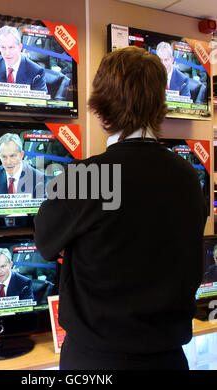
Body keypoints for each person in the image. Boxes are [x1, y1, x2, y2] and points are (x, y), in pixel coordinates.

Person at [34, 46, 207, 370]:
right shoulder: (188, 177)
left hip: (97, 361)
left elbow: (45, 243)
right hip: (168, 360)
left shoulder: (90, 177)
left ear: (101, 109)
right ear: (159, 106)